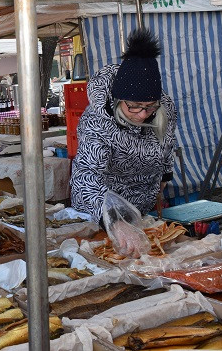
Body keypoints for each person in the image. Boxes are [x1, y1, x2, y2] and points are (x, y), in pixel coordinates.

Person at [70, 28, 177, 257]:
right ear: (118, 100)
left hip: (142, 208)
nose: (142, 115)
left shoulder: (164, 109)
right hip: (102, 214)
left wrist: (164, 177)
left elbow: (168, 145)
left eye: (149, 107)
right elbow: (85, 177)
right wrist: (115, 221)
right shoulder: (97, 122)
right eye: (134, 107)